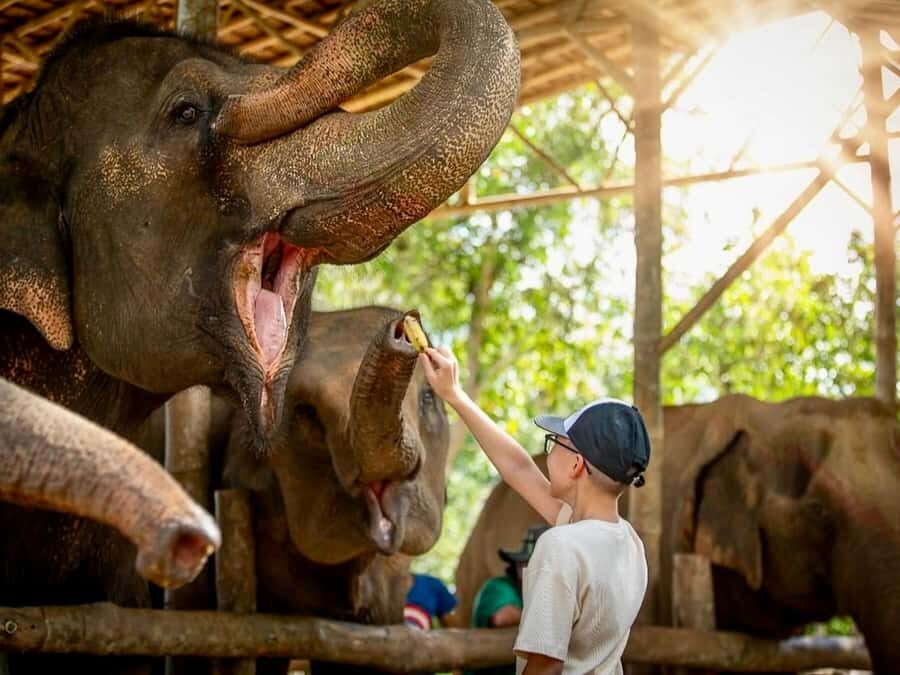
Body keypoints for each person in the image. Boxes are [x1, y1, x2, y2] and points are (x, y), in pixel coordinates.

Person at [421, 346, 651, 675]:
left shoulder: (561, 546)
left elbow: (545, 666)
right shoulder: (627, 542)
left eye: (555, 441)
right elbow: (519, 469)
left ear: (576, 464)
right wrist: (454, 394)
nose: (548, 451)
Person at [466, 525, 549, 675]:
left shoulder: (545, 593)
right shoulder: (498, 587)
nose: (526, 568)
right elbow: (501, 618)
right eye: (525, 562)